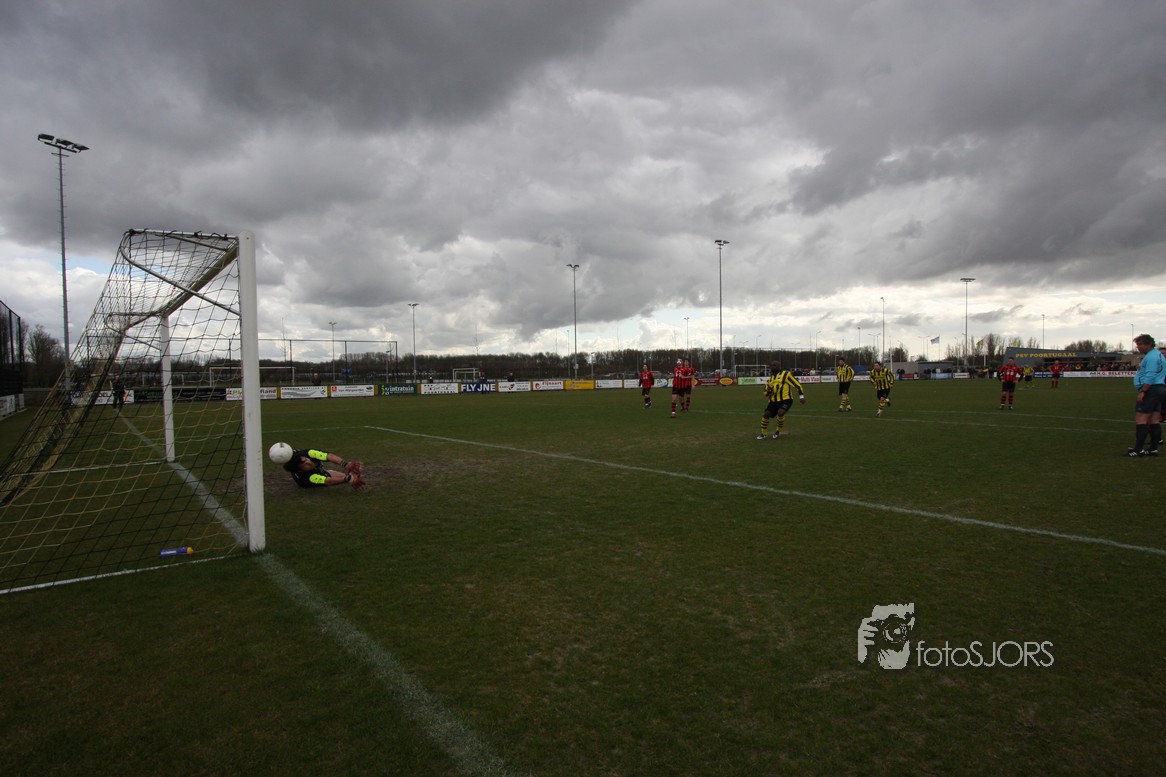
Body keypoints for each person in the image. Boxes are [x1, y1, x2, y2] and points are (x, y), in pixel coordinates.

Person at [1127, 334, 1165, 457]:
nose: (1138, 347)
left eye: (1140, 344)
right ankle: (1153, 449)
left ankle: (1138, 450)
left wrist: (1144, 391)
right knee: (1154, 419)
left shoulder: (1152, 357)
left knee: (1141, 418)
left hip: (1152, 390)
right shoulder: (1157, 355)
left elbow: (1150, 375)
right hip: (1159, 389)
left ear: (1149, 344)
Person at [277, 445, 366, 489]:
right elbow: (328, 481)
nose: (308, 462)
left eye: (306, 459)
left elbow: (328, 456)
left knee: (342, 476)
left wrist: (346, 464)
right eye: (304, 464)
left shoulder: (309, 453)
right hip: (311, 481)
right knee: (342, 478)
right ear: (299, 469)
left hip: (319, 470)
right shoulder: (308, 478)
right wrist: (348, 479)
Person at [757, 361, 805, 439]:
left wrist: (801, 397)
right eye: (771, 365)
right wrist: (768, 391)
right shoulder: (770, 380)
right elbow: (765, 393)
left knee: (780, 412)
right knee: (766, 414)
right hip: (773, 401)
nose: (773, 366)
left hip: (786, 399)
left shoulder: (786, 374)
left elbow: (798, 385)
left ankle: (778, 431)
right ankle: (764, 433)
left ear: (779, 366)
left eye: (774, 365)